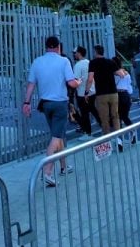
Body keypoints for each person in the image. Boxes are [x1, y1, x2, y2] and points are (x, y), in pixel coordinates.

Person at [21, 36, 80, 187]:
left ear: (46, 46)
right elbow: (71, 83)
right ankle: (47, 171)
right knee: (55, 137)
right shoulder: (63, 61)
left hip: (45, 104)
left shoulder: (37, 62)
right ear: (58, 47)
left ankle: (63, 166)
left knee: (58, 134)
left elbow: (30, 84)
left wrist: (26, 102)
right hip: (60, 103)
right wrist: (79, 81)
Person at [86, 45, 121, 143]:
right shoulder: (111, 62)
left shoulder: (92, 63)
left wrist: (86, 92)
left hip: (101, 94)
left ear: (95, 52)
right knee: (115, 115)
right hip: (113, 93)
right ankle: (118, 138)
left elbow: (90, 79)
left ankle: (106, 139)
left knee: (104, 117)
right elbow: (121, 74)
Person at [71, 46, 94, 135]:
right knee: (95, 112)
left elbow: (76, 80)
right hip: (92, 92)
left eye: (74, 53)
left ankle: (88, 133)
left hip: (81, 94)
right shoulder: (89, 62)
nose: (74, 54)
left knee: (84, 115)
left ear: (79, 53)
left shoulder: (78, 65)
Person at [113, 57, 137, 144]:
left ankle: (119, 140)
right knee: (125, 116)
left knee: (117, 117)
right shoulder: (126, 73)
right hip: (126, 95)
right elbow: (129, 87)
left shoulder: (114, 74)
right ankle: (132, 131)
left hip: (118, 95)